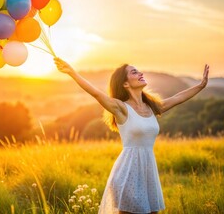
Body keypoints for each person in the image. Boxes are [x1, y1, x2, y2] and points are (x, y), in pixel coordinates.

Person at [54, 57, 209, 214]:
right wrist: (72, 73)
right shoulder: (121, 108)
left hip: (148, 173)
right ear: (125, 84)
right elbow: (96, 94)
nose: (140, 73)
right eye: (134, 72)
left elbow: (178, 98)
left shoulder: (152, 107)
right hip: (127, 173)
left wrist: (201, 86)